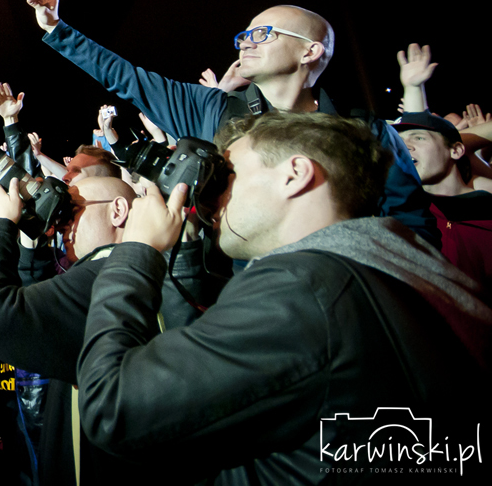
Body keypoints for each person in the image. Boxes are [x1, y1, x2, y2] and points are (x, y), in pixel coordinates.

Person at [76, 112, 490, 483]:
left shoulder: (302, 287)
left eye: (228, 174)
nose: (212, 194)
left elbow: (112, 407)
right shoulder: (397, 261)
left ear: (295, 173)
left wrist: (137, 251)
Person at [24, 0, 436, 245]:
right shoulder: (212, 110)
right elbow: (128, 78)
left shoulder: (363, 130)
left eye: (263, 33)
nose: (245, 42)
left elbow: (412, 224)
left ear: (310, 51)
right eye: (245, 35)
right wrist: (57, 28)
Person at [0, 174, 215, 485]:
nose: (62, 223)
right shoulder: (142, 276)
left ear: (118, 210)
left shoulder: (100, 277)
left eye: (71, 211)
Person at [397, 112, 492, 298]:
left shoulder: (486, 211)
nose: (404, 147)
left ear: (455, 151)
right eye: (398, 142)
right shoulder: (405, 215)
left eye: (418, 138)